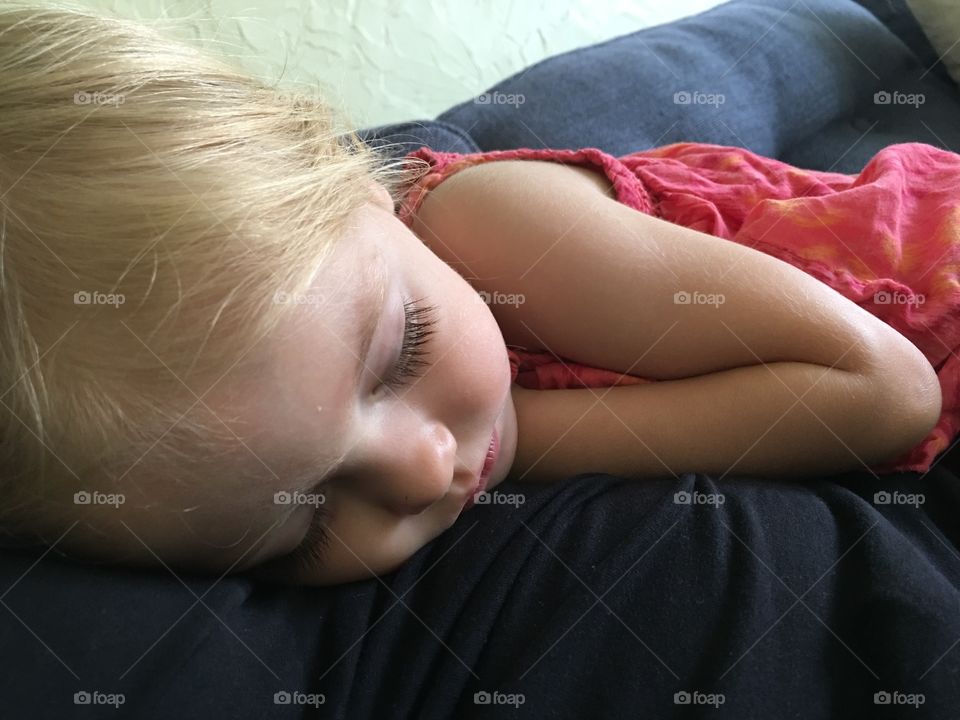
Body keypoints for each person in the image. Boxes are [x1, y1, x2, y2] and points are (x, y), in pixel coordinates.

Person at [0, 3, 947, 587]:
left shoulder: (500, 231)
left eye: (401, 350)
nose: (421, 473)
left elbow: (885, 390)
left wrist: (536, 435)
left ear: (361, 187)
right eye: (310, 518)